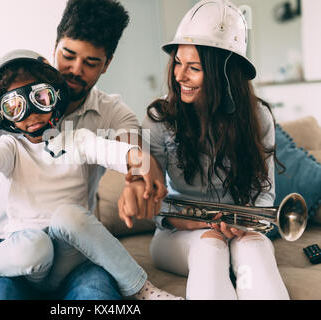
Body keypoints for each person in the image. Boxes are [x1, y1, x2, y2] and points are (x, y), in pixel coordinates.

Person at [0, 0, 165, 300]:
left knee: (95, 297)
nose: (75, 70)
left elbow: (131, 151)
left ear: (107, 64)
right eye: (68, 55)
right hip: (12, 245)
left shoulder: (110, 114)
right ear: (54, 47)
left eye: (91, 63)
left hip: (76, 248)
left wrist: (139, 177)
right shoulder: (4, 102)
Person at [119, 0, 290, 300]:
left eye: (194, 68)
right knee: (210, 245)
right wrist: (194, 222)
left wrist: (246, 223)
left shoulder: (259, 116)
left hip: (240, 229)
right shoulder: (160, 118)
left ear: (224, 75)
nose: (179, 76)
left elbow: (265, 194)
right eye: (178, 63)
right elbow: (155, 202)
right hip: (176, 233)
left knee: (254, 247)